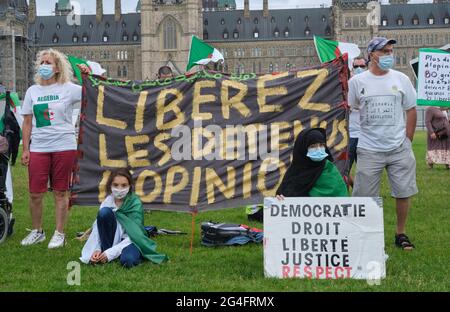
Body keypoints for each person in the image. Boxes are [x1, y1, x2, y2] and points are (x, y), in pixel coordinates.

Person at [348, 37, 418, 250]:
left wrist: (408, 139)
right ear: (371, 55)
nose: (389, 55)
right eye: (384, 52)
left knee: (403, 192)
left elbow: (411, 109)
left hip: (398, 147)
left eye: (390, 51)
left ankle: (401, 233)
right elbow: (348, 109)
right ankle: (363, 234)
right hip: (369, 148)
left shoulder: (401, 79)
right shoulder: (357, 82)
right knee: (363, 196)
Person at [20, 48, 90, 248]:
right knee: (35, 192)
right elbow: (27, 122)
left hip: (64, 145)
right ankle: (37, 231)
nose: (44, 66)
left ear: (58, 68)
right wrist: (26, 149)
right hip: (39, 147)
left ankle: (59, 233)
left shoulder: (68, 88)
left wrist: (84, 74)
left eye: (48, 63)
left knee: (60, 192)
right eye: (41, 63)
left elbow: (92, 90)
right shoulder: (32, 91)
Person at [80, 168, 168, 268]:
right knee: (104, 212)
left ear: (130, 186)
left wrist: (111, 253)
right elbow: (98, 228)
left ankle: (119, 254)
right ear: (110, 185)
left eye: (124, 185)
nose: (119, 189)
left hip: (130, 240)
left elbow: (136, 235)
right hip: (110, 240)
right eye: (116, 185)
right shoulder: (108, 201)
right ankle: (104, 252)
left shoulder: (135, 203)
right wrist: (97, 249)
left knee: (128, 261)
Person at [276, 128, 348, 199]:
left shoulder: (329, 169)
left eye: (321, 145)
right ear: (303, 149)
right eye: (312, 146)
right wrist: (280, 199)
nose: (318, 149)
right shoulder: (294, 173)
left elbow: (342, 199)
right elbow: (283, 196)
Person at [346, 56, 367, 187]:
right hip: (350, 135)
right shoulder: (347, 86)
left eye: (362, 66)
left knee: (366, 172)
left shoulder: (373, 85)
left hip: (366, 136)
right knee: (343, 169)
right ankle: (351, 191)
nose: (359, 69)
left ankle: (364, 196)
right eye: (356, 66)